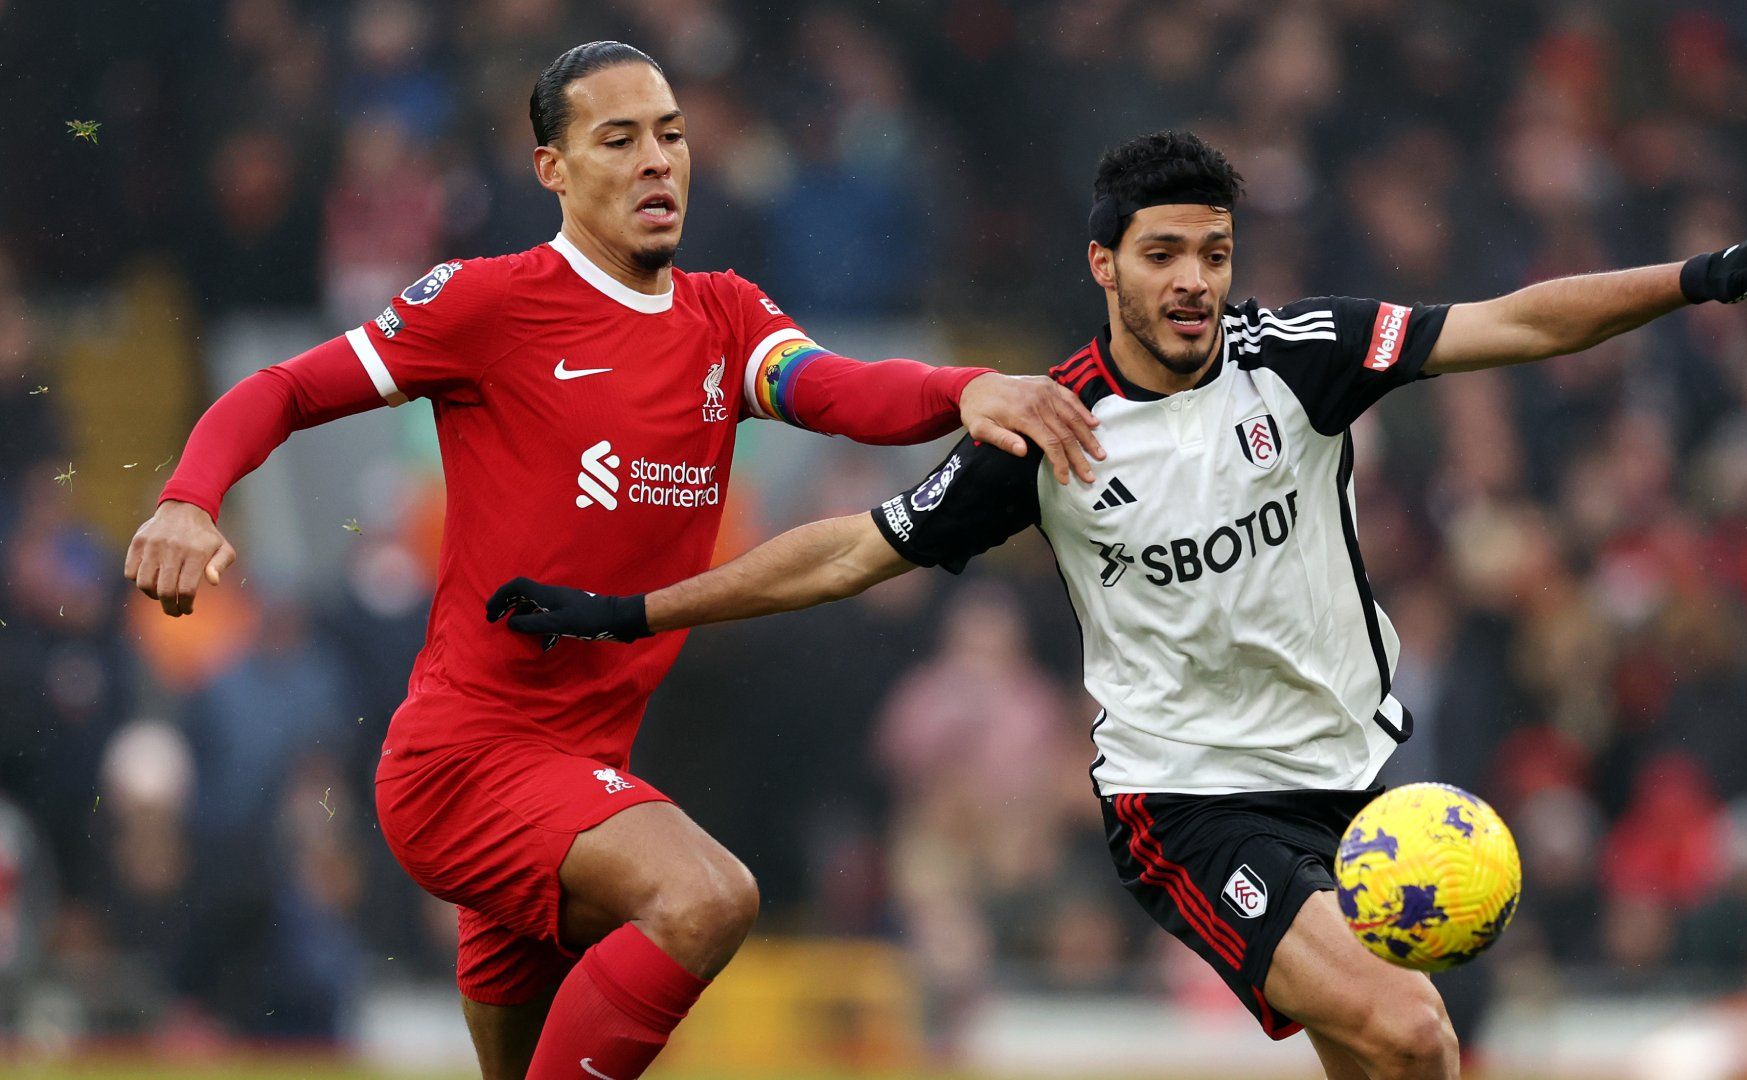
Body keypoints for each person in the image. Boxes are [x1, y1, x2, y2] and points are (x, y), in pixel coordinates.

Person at [487, 130, 1747, 1079]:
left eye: (1212, 249)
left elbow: (1517, 321)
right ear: (1107, 265)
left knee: (1374, 1055)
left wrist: (1697, 278)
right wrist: (635, 612)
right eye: (1164, 253)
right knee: (1421, 1035)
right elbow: (853, 551)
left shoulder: (1304, 357)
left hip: (1357, 777)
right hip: (1188, 804)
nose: (1195, 277)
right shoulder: (1050, 431)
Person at [123, 41, 1104, 1080]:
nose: (656, 162)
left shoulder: (724, 317)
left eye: (672, 137)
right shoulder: (489, 303)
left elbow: (843, 392)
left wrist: (963, 390)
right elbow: (280, 389)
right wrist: (188, 499)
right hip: (469, 765)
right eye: (619, 138)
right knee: (709, 895)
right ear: (551, 167)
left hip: (584, 770)